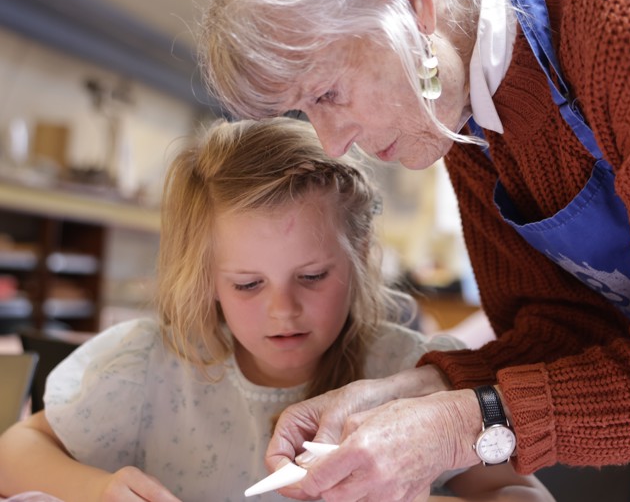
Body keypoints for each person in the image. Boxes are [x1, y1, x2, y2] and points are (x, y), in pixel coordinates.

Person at [197, 0, 630, 500]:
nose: (333, 143)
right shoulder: (462, 113)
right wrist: (406, 395)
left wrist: (458, 428)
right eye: (307, 111)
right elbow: (561, 332)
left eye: (329, 93)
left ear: (410, 2)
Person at [0, 117, 554, 502]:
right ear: (207, 278)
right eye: (247, 284)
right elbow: (14, 449)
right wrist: (96, 489)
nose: (283, 310)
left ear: (360, 255)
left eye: (312, 277)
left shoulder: (413, 376)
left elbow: (520, 493)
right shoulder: (150, 366)